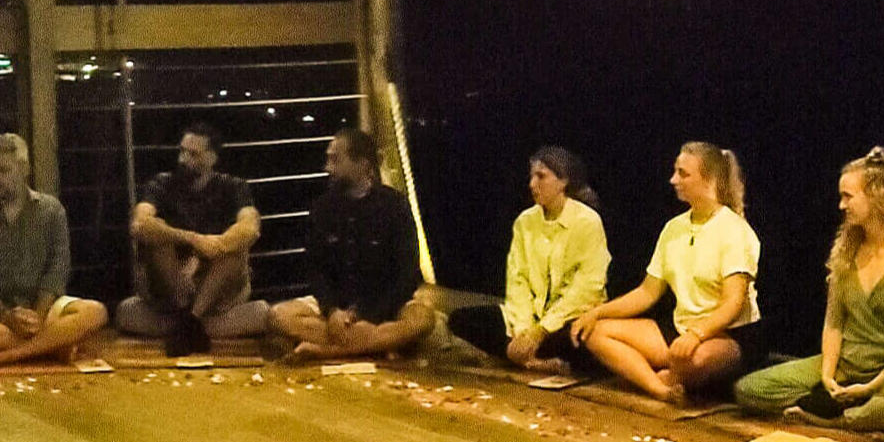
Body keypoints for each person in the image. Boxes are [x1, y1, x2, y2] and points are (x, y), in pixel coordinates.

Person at [734, 149, 884, 438]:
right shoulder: (847, 249)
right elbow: (834, 323)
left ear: (878, 196)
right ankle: (848, 409)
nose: (842, 205)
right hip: (848, 364)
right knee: (750, 390)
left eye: (848, 196)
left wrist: (872, 385)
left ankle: (840, 418)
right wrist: (828, 376)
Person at [572, 142, 761, 403]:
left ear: (709, 179)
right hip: (681, 329)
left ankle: (661, 376)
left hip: (725, 334)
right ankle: (660, 387)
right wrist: (596, 312)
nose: (674, 180)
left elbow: (733, 302)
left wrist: (697, 334)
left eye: (683, 174)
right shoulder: (674, 228)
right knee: (596, 332)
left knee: (693, 359)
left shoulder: (734, 231)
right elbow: (647, 292)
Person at [0, 133, 108, 369]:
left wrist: (37, 315)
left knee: (95, 312)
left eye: (3, 171)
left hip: (41, 309)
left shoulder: (51, 210)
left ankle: (6, 356)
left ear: (24, 168)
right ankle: (50, 346)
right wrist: (6, 315)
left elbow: (58, 268)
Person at [268, 129, 436, 361]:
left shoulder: (394, 206)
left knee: (423, 319)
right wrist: (333, 310)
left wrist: (366, 315)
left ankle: (331, 350)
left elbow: (407, 275)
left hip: (384, 306)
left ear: (362, 164)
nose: (328, 167)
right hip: (336, 308)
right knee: (278, 316)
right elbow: (315, 270)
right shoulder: (323, 207)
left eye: (335, 159)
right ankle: (373, 345)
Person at [451, 147, 610, 374]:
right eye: (531, 176)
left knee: (586, 342)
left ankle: (524, 356)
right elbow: (518, 280)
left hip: (566, 319)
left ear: (563, 181)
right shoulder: (525, 222)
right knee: (462, 319)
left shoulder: (588, 222)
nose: (532, 184)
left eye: (541, 177)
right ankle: (531, 361)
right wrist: (523, 330)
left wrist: (541, 330)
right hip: (531, 318)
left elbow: (586, 288)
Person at [122, 122, 268, 357]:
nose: (183, 160)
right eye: (182, 151)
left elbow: (251, 228)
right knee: (156, 235)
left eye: (193, 154)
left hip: (214, 285)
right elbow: (140, 224)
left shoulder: (233, 187)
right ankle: (190, 320)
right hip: (173, 284)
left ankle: (189, 320)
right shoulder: (162, 183)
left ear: (212, 158)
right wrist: (193, 239)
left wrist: (214, 247)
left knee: (236, 247)